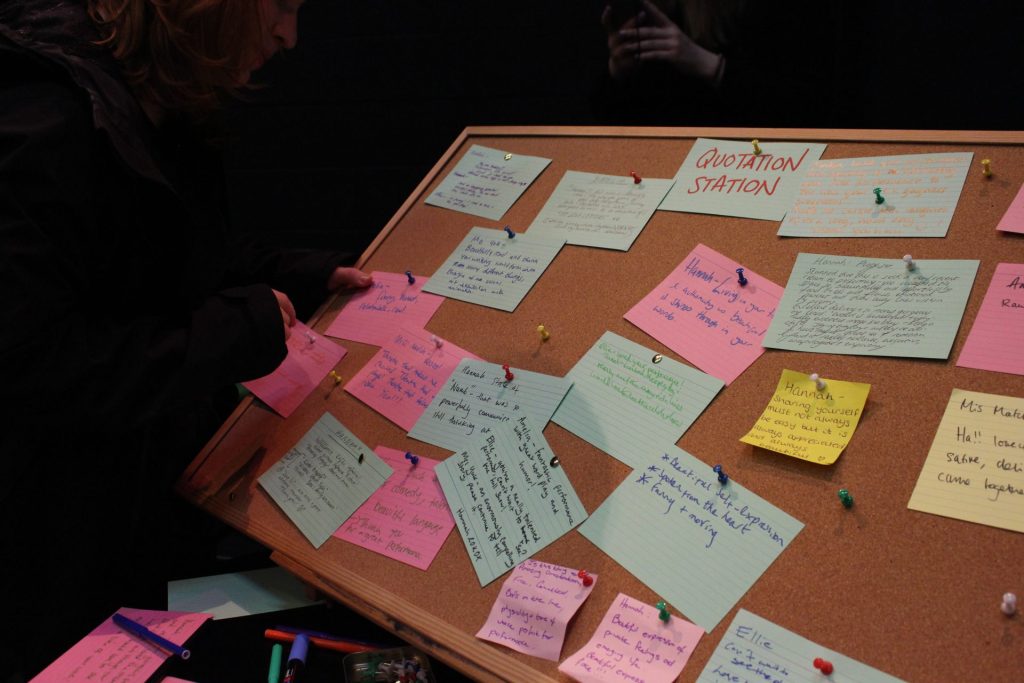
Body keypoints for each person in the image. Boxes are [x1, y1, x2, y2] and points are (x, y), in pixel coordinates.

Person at [0, 0, 370, 678]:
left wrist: (302, 276)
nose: (290, 35)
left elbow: (177, 262)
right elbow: (31, 367)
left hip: (137, 520)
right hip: (46, 558)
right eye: (280, 6)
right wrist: (232, 333)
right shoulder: (43, 119)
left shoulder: (160, 104)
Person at [594, 0, 839, 127]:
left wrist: (711, 66)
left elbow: (808, 106)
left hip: (748, 158)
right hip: (669, 162)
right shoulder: (652, 9)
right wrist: (618, 71)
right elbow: (608, 120)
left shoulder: (768, 14)